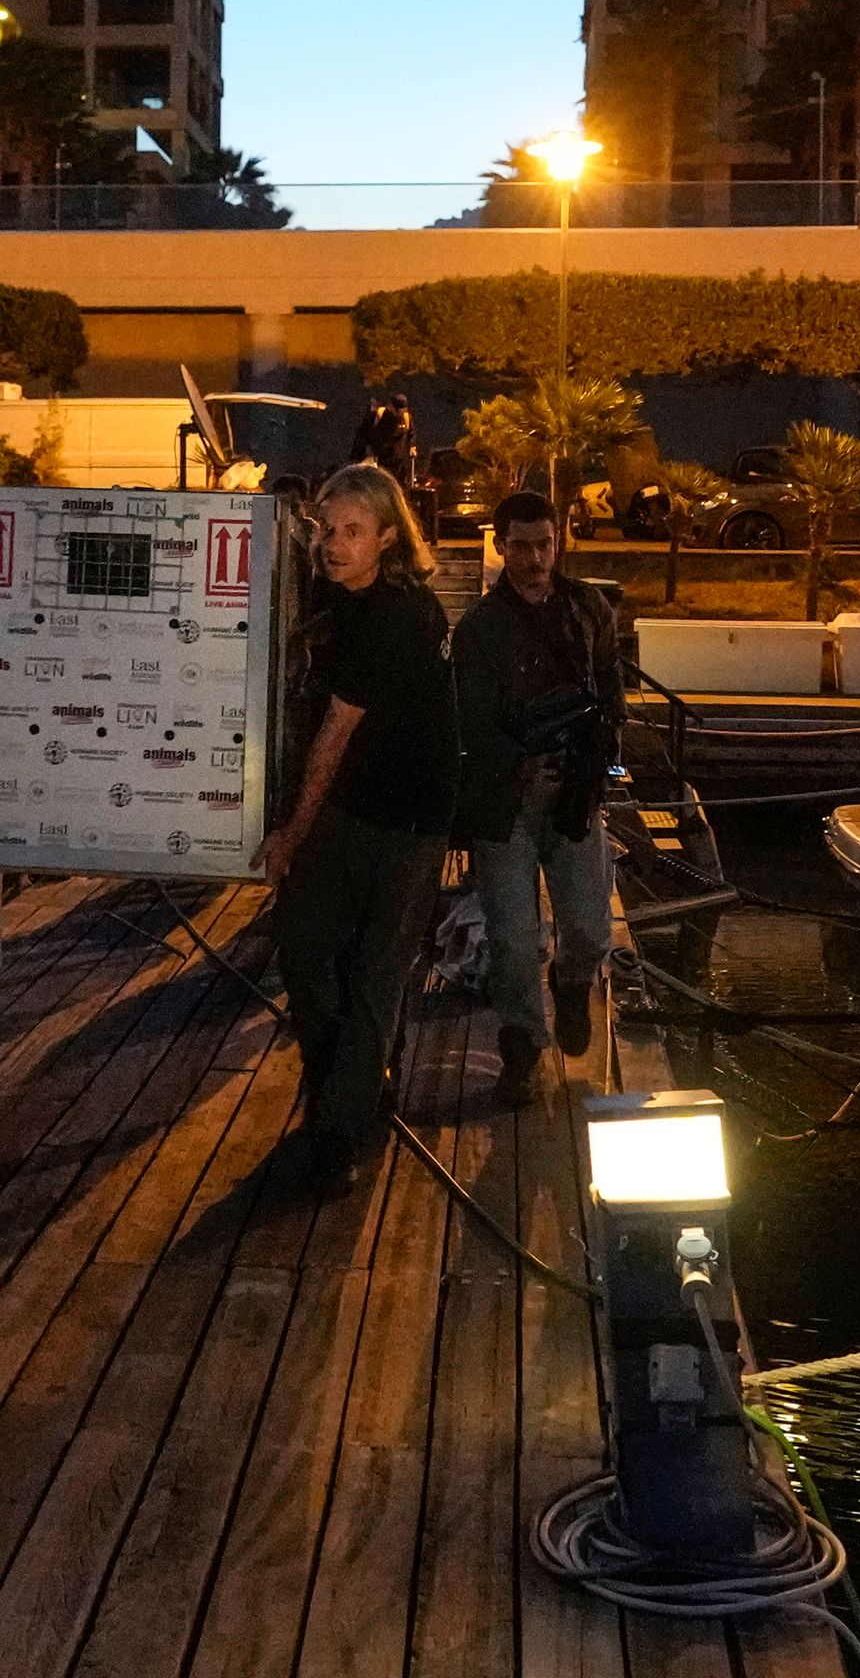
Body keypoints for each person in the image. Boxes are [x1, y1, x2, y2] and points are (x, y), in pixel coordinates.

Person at [263, 461, 456, 1197]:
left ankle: (338, 1133)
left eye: (351, 532)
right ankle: (349, 1088)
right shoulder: (337, 598)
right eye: (324, 529)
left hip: (407, 819)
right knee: (307, 947)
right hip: (356, 806)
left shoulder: (398, 615)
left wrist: (288, 834)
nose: (332, 544)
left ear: (386, 537)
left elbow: (335, 735)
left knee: (378, 970)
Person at [451, 490, 627, 1107]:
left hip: (574, 794)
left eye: (545, 544)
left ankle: (574, 981)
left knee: (589, 925)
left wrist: (597, 752)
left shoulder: (588, 609)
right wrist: (518, 760)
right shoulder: (479, 628)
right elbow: (471, 722)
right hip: (506, 802)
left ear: (560, 541)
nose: (534, 558)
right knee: (511, 937)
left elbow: (611, 688)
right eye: (521, 545)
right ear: (500, 545)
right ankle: (521, 1048)